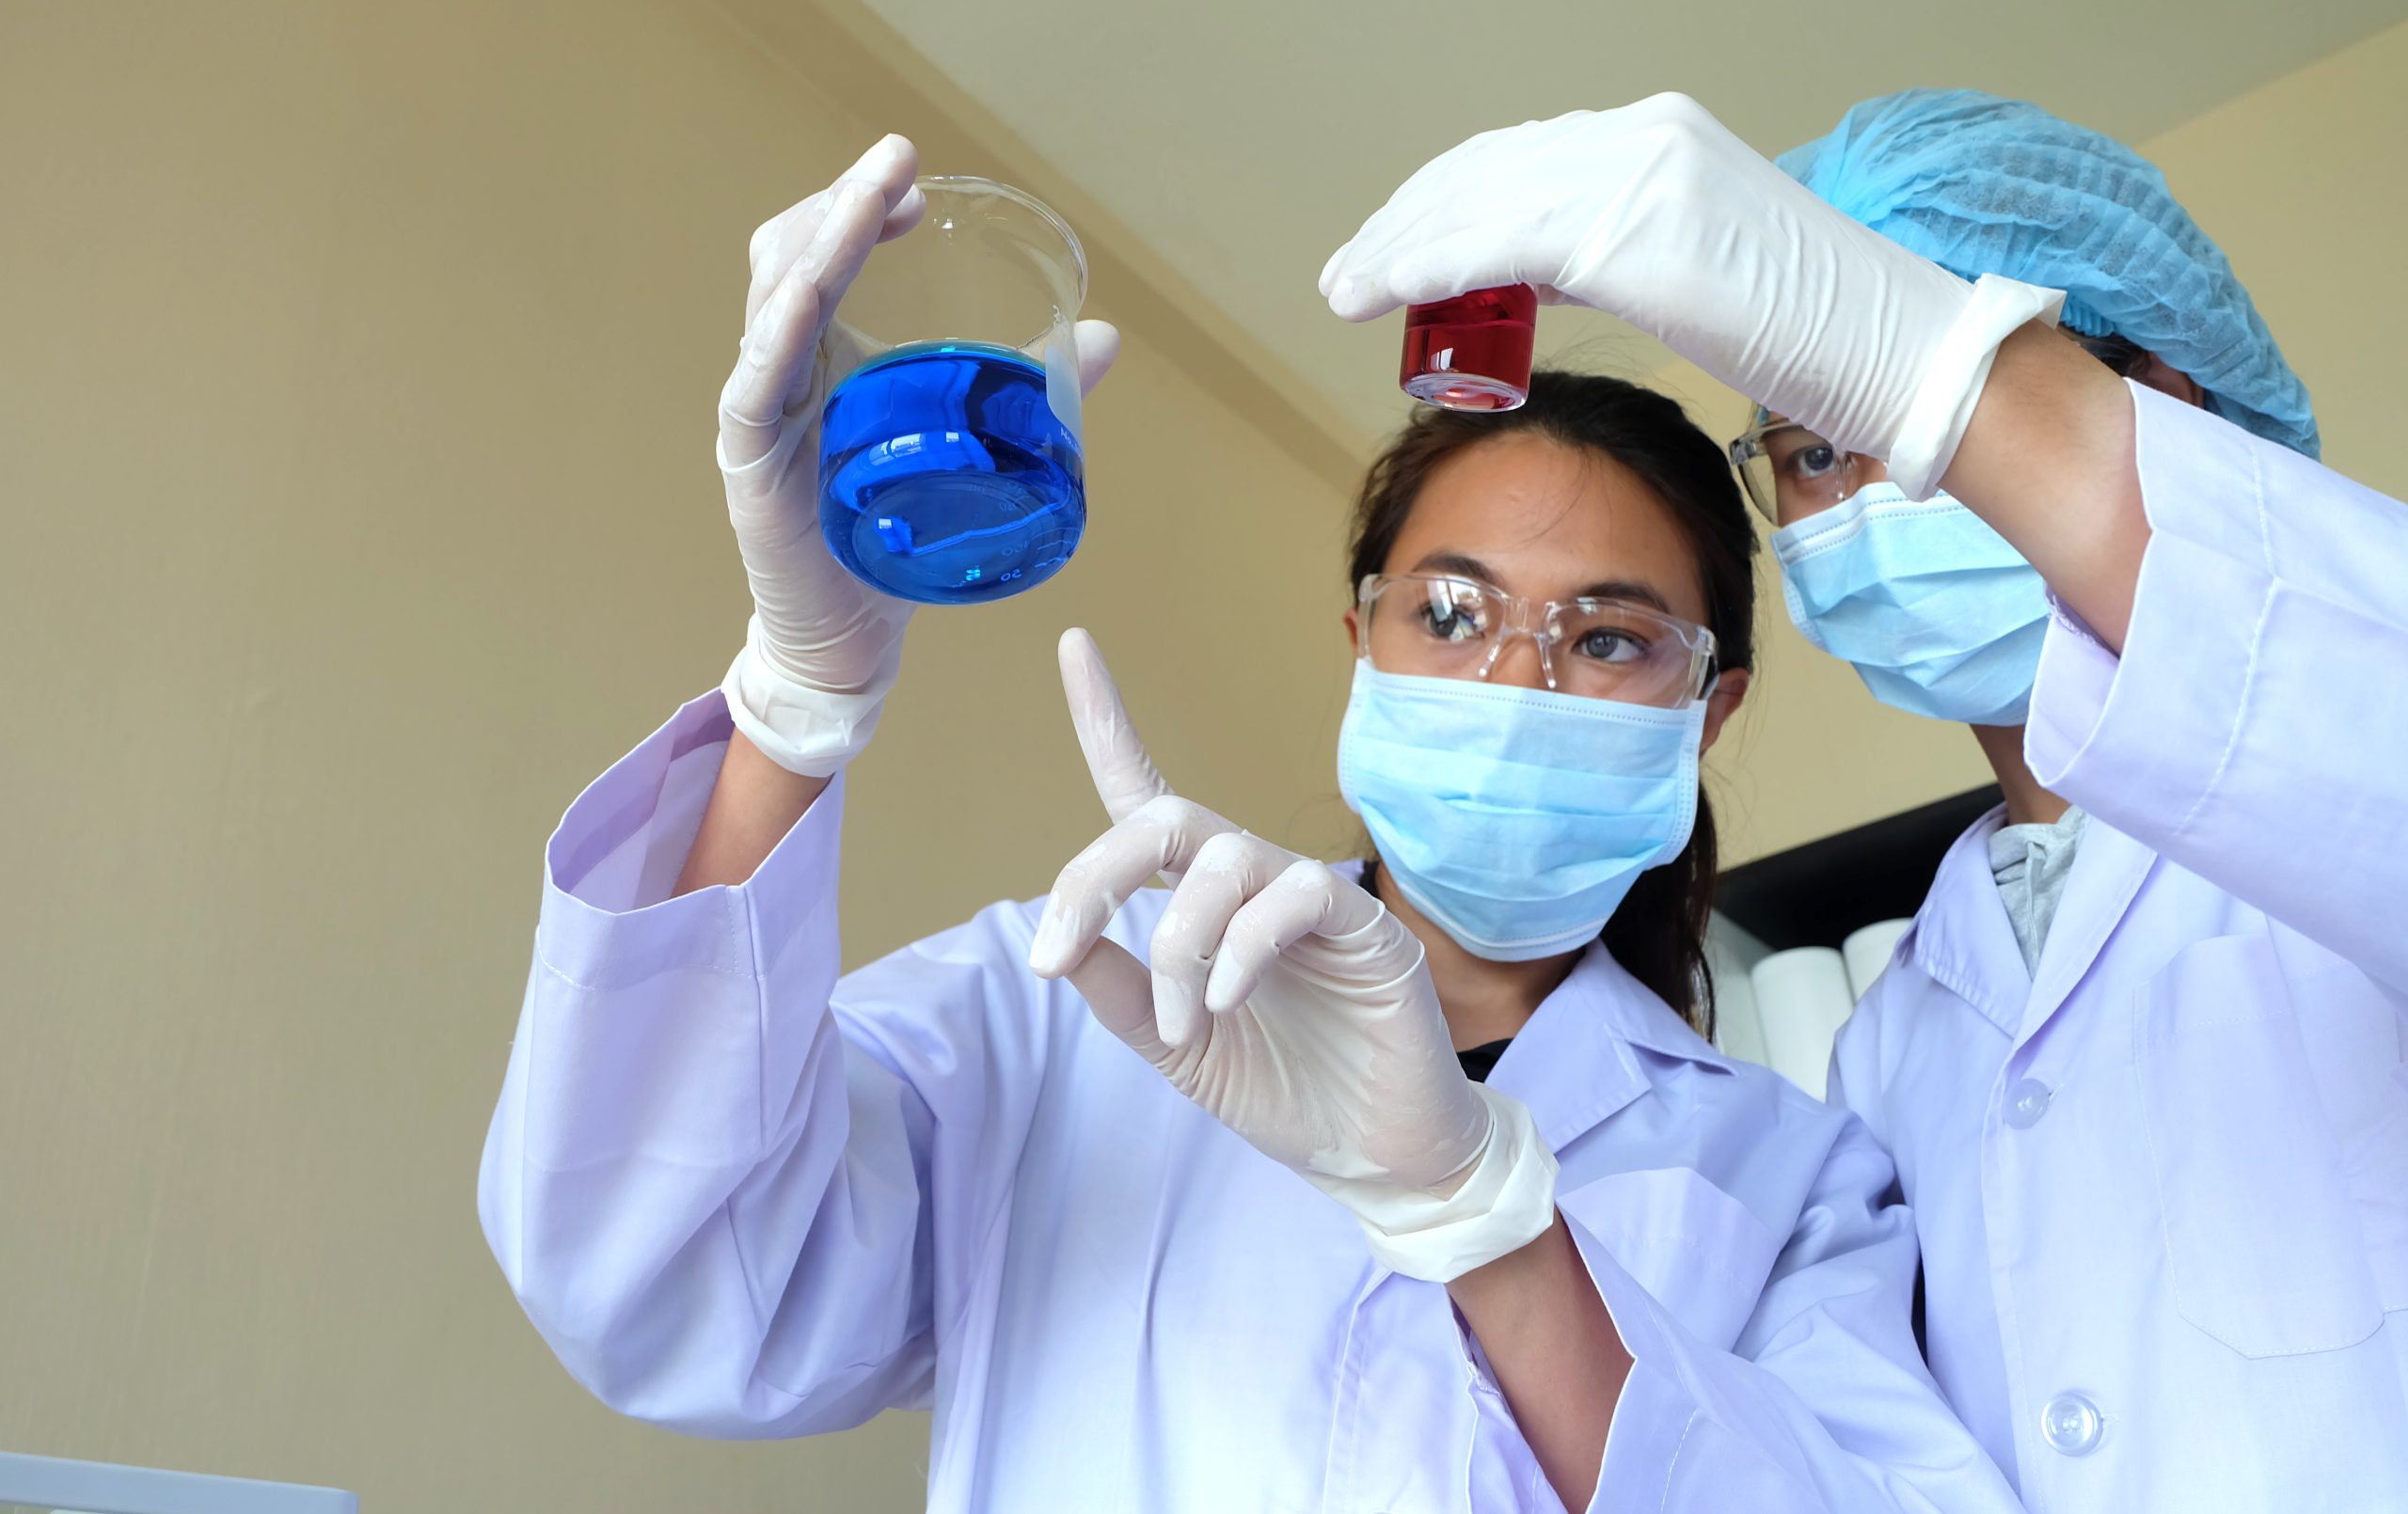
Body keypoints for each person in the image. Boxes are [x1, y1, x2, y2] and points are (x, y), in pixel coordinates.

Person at [479, 134, 2027, 1512]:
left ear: (1714, 708)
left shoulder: (1787, 1171)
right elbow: (661, 1282)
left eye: (1611, 638)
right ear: (1362, 644)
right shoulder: (1078, 1004)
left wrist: (1482, 1217)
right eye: (1450, 611)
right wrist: (794, 708)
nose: (1514, 679)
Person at [1323, 88, 2408, 1513]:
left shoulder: (2335, 766)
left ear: (2170, 395)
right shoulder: (1896, 1050)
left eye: (1903, 408)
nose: (1875, 477)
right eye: (1816, 448)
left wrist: (1951, 379)